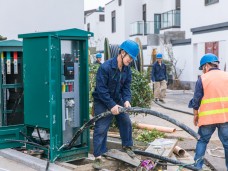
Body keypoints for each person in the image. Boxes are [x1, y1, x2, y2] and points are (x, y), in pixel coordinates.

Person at [92, 40, 139, 169]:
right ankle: (98, 156)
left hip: (117, 99)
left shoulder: (127, 70)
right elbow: (101, 90)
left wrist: (126, 100)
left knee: (126, 121)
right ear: (122, 53)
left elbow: (126, 88)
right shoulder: (105, 67)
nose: (131, 60)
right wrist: (111, 105)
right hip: (102, 100)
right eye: (130, 57)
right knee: (101, 127)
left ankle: (127, 146)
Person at [188, 53, 228, 170]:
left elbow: (196, 100)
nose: (203, 71)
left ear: (206, 66)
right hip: (225, 117)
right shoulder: (227, 76)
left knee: (202, 141)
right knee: (227, 144)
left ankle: (198, 167)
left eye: (202, 69)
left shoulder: (203, 79)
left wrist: (195, 115)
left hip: (208, 119)